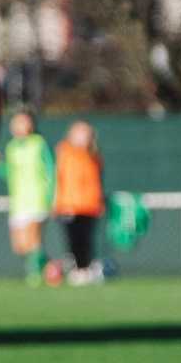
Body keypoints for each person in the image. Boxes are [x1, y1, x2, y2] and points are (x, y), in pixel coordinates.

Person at [2, 107, 55, 284]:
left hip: (37, 199)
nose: (19, 125)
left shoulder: (38, 143)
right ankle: (51, 267)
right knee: (20, 246)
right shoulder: (11, 147)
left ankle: (34, 275)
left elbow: (50, 170)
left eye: (23, 121)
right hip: (18, 202)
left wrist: (51, 197)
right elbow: (10, 173)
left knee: (33, 240)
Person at [55, 120, 105, 283]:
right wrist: (57, 201)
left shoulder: (94, 155)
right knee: (74, 239)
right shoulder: (64, 152)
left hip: (90, 205)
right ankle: (77, 270)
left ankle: (86, 269)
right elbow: (59, 177)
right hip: (70, 204)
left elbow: (97, 180)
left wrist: (100, 201)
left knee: (86, 239)